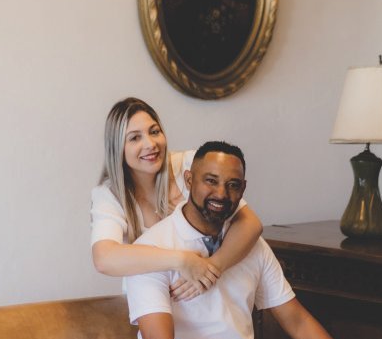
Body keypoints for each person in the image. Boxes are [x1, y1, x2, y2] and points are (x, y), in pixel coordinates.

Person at [125, 141, 382, 339]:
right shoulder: (151, 250)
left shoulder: (251, 245)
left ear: (243, 189)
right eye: (210, 181)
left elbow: (297, 320)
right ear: (189, 180)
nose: (221, 194)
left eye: (233, 185)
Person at [90, 98, 263, 299]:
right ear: (117, 148)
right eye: (135, 138)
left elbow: (250, 224)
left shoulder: (188, 165)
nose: (150, 144)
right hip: (153, 297)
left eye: (154, 131)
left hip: (205, 293)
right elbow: (104, 258)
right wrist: (182, 261)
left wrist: (210, 269)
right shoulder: (108, 195)